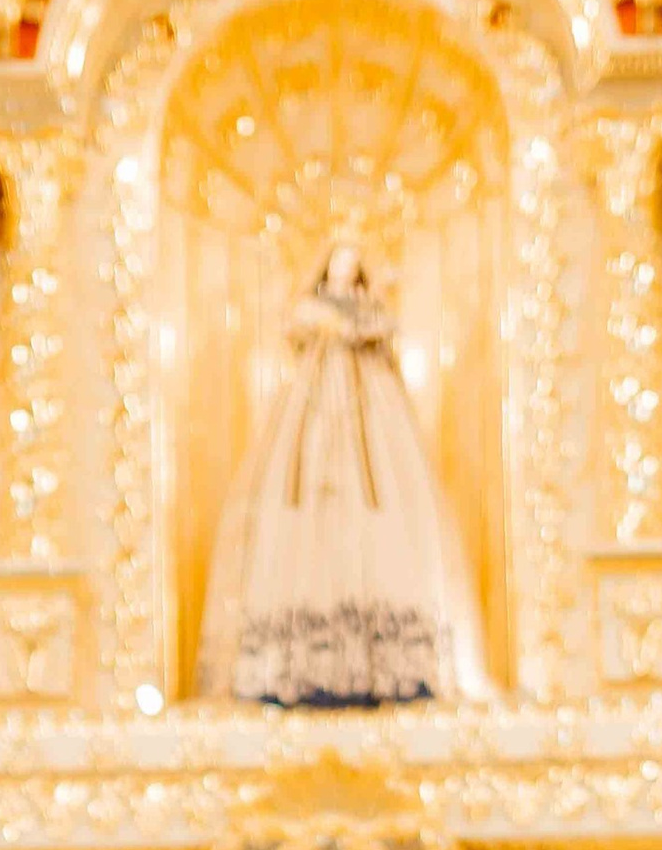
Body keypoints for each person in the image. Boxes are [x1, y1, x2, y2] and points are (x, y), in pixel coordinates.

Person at [196, 246, 491, 708]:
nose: (344, 268)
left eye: (352, 263)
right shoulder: (311, 318)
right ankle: (301, 663)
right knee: (308, 520)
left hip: (370, 434)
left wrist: (365, 315)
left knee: (377, 521)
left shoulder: (369, 321)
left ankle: (383, 658)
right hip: (314, 431)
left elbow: (381, 330)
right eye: (339, 261)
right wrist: (337, 326)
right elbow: (296, 328)